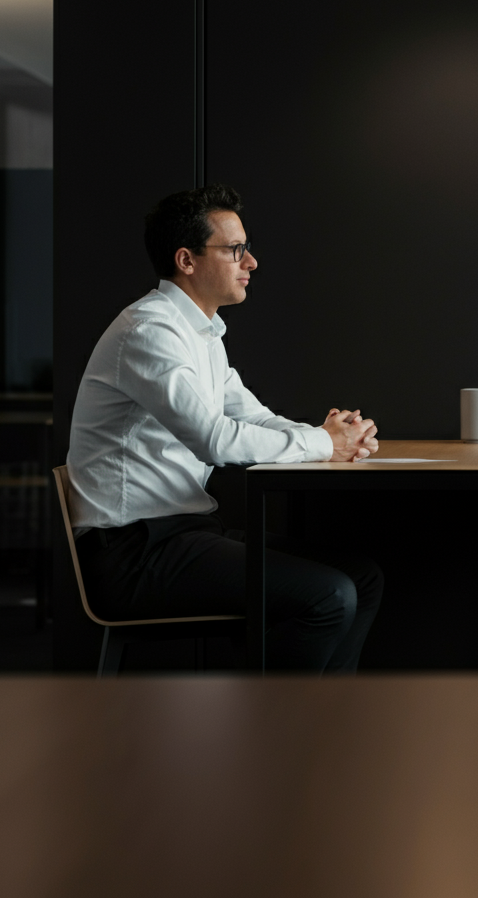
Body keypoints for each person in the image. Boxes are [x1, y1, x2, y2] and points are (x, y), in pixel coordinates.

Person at [67, 183, 383, 672]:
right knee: (328, 595)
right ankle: (271, 738)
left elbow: (251, 417)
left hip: (184, 534)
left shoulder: (203, 333)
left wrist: (331, 438)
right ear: (186, 260)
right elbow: (214, 440)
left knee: (360, 578)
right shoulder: (150, 331)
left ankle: (322, 729)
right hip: (135, 552)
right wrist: (322, 443)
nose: (250, 262)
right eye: (235, 250)